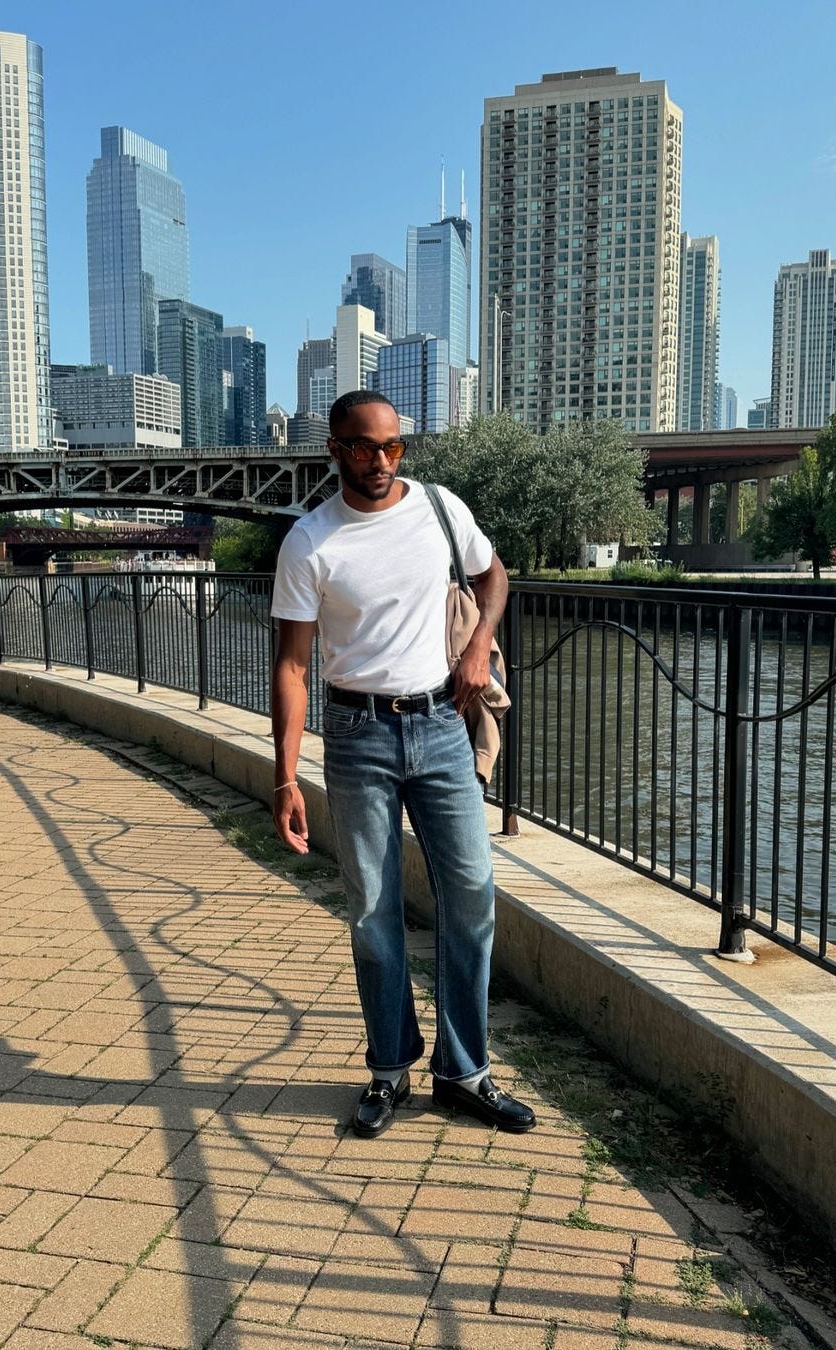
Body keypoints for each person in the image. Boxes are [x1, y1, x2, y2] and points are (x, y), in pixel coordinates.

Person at [269, 389, 536, 1138]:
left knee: (472, 897)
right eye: (363, 446)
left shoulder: (441, 509)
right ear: (334, 449)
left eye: (392, 447)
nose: (380, 460)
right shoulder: (310, 542)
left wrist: (481, 640)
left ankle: (463, 1072)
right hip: (357, 736)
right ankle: (389, 1069)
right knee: (373, 913)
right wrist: (286, 775)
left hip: (443, 726)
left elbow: (494, 576)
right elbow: (291, 665)